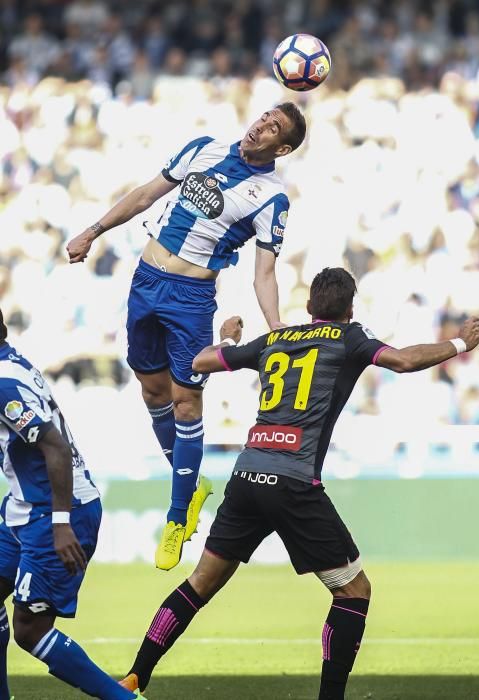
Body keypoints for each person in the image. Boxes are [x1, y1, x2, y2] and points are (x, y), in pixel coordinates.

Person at [118, 267, 479, 699]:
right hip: (293, 482)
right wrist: (462, 341)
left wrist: (230, 340)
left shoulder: (277, 339)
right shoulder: (351, 338)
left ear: (310, 306)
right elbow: (404, 361)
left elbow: (200, 362)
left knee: (200, 582)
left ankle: (134, 678)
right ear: (350, 310)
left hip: (247, 474)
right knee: (354, 591)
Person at [66, 103, 306, 571]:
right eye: (265, 116)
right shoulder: (204, 148)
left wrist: (276, 329)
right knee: (150, 388)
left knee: (185, 402)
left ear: (283, 148)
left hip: (191, 297)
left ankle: (178, 518)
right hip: (145, 281)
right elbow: (144, 196)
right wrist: (94, 230)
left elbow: (264, 272)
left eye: (274, 127)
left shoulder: (270, 198)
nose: (261, 124)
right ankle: (190, 484)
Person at [0, 309, 145, 699]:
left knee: (30, 631)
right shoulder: (11, 360)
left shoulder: (3, 383)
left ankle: (123, 699)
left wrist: (61, 523)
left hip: (56, 511)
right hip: (23, 506)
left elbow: (55, 447)